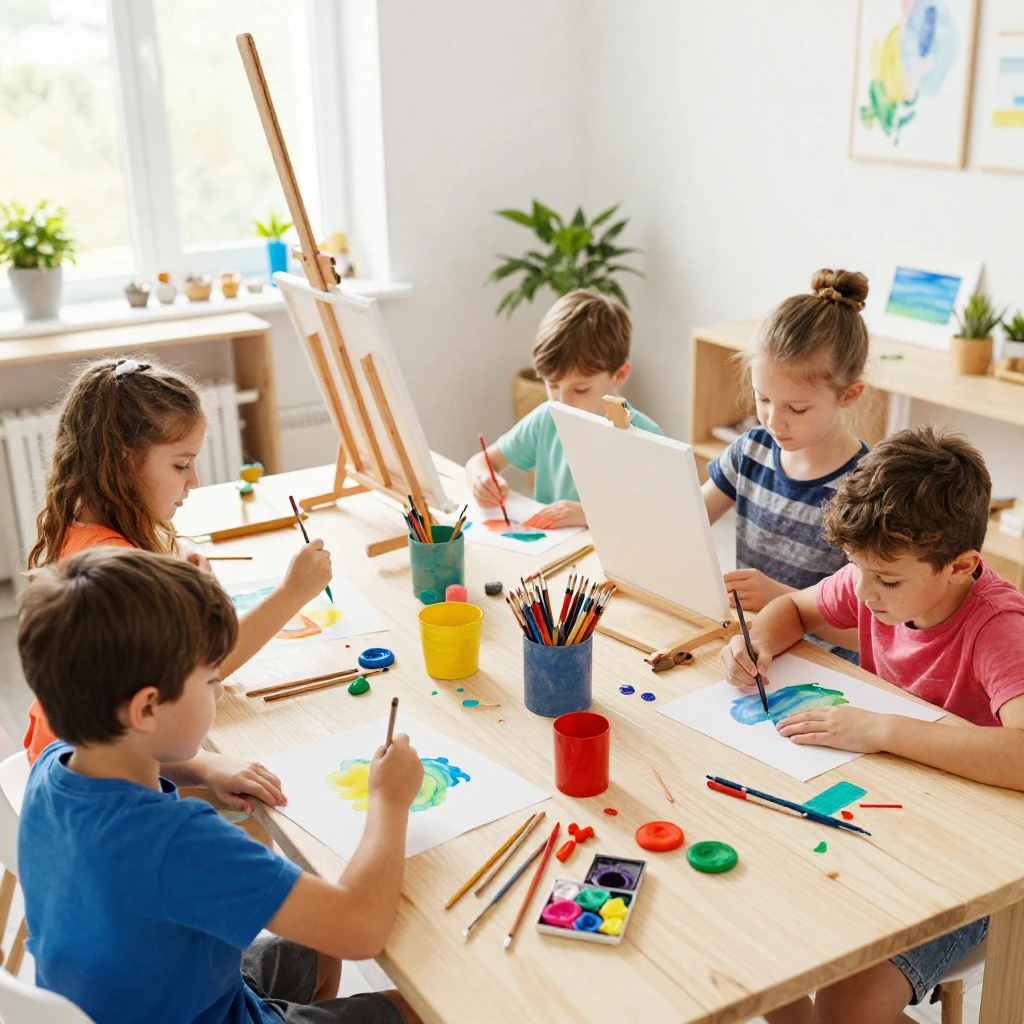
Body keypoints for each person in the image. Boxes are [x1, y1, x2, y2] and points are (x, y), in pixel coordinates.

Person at [18, 547, 425, 1024]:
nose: (217, 690)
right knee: (419, 1009)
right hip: (207, 1011)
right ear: (147, 708)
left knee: (318, 948)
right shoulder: (182, 843)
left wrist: (199, 767)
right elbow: (360, 930)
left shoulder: (53, 767)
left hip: (151, 999)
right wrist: (389, 800)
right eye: (211, 681)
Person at [721, 426, 1024, 1024]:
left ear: (961, 566)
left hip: (978, 860)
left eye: (885, 581)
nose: (864, 593)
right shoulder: (879, 577)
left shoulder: (999, 627)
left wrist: (880, 730)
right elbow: (795, 608)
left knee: (847, 1005)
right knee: (760, 949)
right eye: (856, 569)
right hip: (886, 819)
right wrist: (757, 642)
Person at [23, 357, 332, 817]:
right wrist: (292, 593)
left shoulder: (89, 524)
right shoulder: (118, 565)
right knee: (259, 815)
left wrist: (178, 573)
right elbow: (207, 670)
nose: (194, 481)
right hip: (94, 787)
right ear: (123, 461)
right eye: (181, 465)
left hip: (67, 753)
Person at [703, 269, 872, 660]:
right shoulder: (752, 450)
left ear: (849, 395)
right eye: (763, 399)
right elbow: (685, 520)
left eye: (796, 408)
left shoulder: (867, 488)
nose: (774, 421)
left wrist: (781, 600)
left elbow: (876, 633)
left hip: (825, 668)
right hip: (754, 648)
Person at [467, 289, 661, 529]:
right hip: (551, 554)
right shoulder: (546, 419)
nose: (563, 401)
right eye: (553, 385)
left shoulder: (647, 437)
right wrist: (482, 479)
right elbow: (481, 461)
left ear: (619, 375)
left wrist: (591, 515)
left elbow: (657, 518)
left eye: (580, 390)